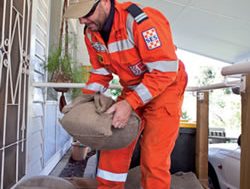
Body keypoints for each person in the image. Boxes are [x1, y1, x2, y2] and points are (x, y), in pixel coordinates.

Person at [64, 0, 188, 188]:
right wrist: (82, 101)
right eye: (79, 16)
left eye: (87, 13)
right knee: (113, 147)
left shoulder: (141, 22)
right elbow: (100, 73)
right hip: (132, 88)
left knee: (154, 157)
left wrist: (130, 103)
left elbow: (164, 71)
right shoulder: (91, 34)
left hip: (166, 88)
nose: (82, 20)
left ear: (105, 2)